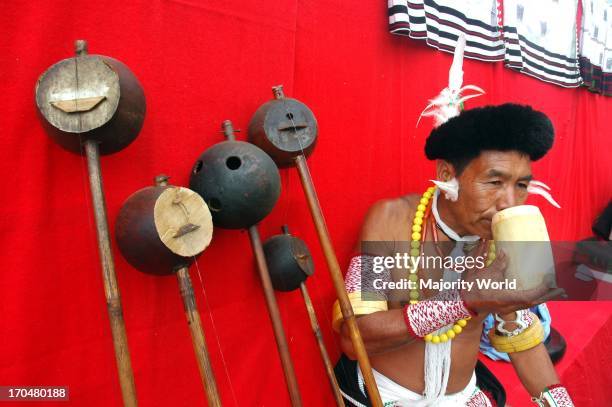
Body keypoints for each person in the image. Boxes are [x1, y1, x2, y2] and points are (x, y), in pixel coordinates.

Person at [331, 38, 573, 406]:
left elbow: (521, 339)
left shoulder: (505, 240)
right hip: (389, 397)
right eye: (494, 182)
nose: (509, 201)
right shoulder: (391, 220)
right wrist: (466, 298)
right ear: (448, 174)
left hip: (465, 397)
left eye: (522, 185)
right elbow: (354, 337)